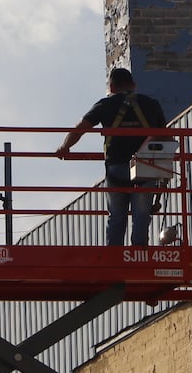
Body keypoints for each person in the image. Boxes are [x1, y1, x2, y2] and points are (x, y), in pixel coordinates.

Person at [55, 67, 167, 247]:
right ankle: (140, 251)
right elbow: (164, 136)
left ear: (112, 87)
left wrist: (64, 147)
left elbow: (80, 128)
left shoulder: (105, 105)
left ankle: (114, 252)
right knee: (141, 213)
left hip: (117, 167)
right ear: (134, 85)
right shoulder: (151, 104)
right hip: (145, 166)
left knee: (116, 214)